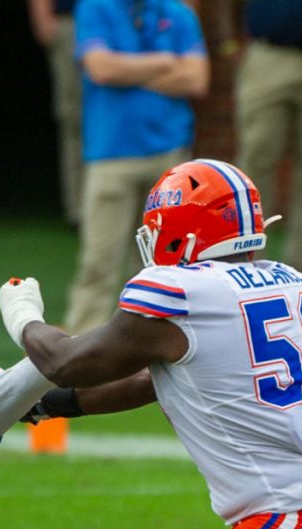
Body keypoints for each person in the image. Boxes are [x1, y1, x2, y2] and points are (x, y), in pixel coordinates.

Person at [0, 159, 302, 529]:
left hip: (299, 521)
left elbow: (67, 362)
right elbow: (155, 381)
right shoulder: (289, 280)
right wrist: (44, 405)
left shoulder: (185, 292)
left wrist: (23, 317)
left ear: (185, 234)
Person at [64, 0, 209, 337]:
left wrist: (126, 71)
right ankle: (80, 347)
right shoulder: (94, 8)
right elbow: (101, 69)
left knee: (167, 264)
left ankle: (158, 344)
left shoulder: (178, 13)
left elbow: (196, 80)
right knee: (99, 261)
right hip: (110, 153)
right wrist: (163, 62)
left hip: (171, 158)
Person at [210, 0, 302, 281]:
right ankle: (247, 261)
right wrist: (228, 43)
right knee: (255, 160)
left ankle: (301, 266)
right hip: (267, 52)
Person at [28, 0, 83, 229]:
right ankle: (78, 211)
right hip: (71, 22)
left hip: (126, 19)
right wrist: (43, 18)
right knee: (74, 120)